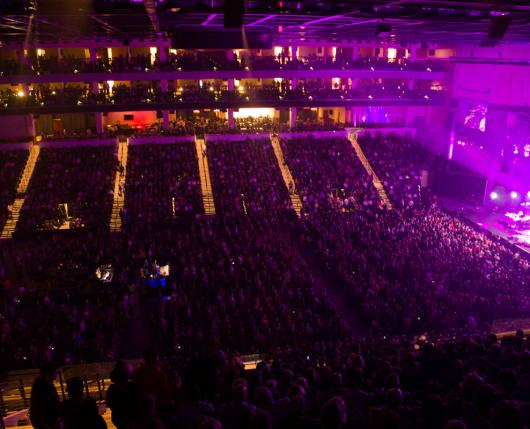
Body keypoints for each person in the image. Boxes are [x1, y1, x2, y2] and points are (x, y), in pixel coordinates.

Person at [29, 363, 60, 429]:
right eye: (56, 371)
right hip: (45, 422)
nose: (57, 373)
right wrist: (45, 423)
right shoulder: (43, 385)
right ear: (50, 372)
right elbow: (40, 405)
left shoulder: (43, 383)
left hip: (45, 421)